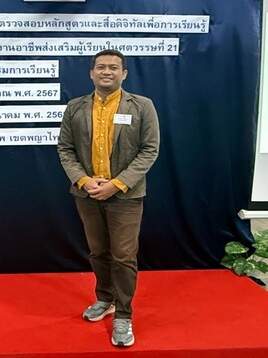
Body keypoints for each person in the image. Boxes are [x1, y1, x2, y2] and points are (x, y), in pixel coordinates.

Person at [57, 49, 160, 347]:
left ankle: (124, 315)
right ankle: (105, 299)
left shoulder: (142, 106)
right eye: (101, 67)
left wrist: (117, 184)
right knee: (98, 251)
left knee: (123, 256)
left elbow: (149, 150)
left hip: (125, 196)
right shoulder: (75, 107)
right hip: (87, 193)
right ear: (91, 73)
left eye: (114, 67)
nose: (107, 71)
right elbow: (65, 149)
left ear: (123, 74)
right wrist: (84, 180)